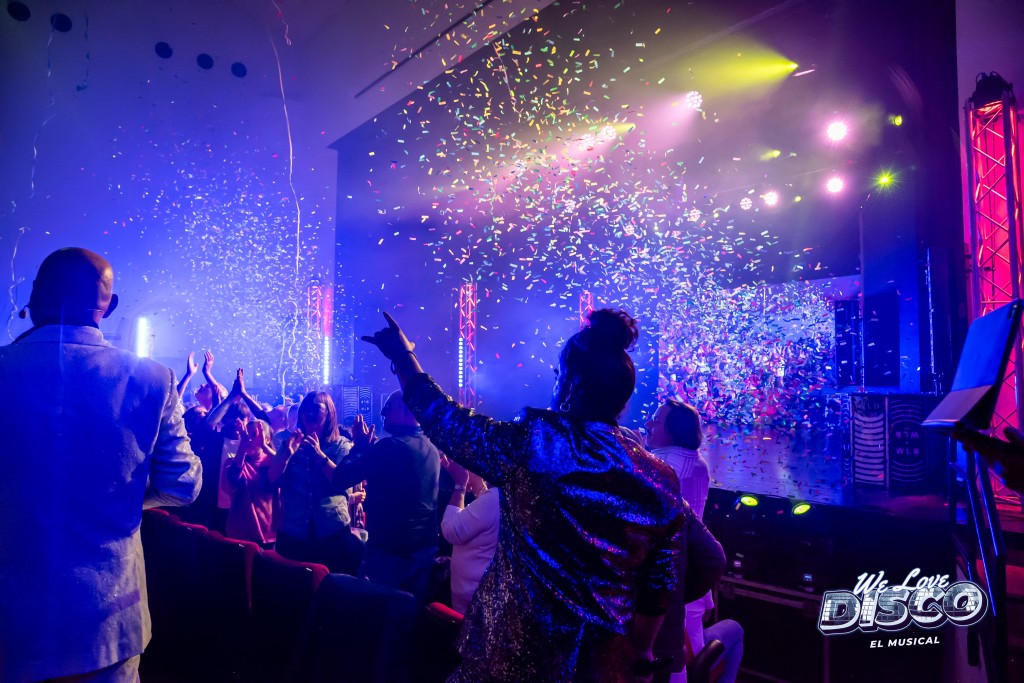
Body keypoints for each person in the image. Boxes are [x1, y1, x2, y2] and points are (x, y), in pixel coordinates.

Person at [361, 309, 704, 682]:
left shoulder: (537, 445)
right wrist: (643, 650)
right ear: (621, 399)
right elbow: (659, 585)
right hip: (603, 668)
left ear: (569, 385)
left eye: (558, 374)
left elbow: (446, 420)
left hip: (513, 661)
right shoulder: (659, 479)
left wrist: (403, 356)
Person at [0, 247, 202, 683]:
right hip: (107, 626)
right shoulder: (151, 379)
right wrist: (119, 500)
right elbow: (183, 485)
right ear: (109, 307)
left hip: (11, 624)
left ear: (34, 296)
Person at [646, 401, 741, 683]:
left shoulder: (660, 467)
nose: (648, 424)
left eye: (655, 420)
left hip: (672, 598)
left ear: (673, 430)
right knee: (732, 633)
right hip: (689, 592)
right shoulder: (697, 464)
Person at [328, 390, 441, 602]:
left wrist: (360, 446)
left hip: (391, 553)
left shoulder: (391, 446)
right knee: (410, 611)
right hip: (422, 550)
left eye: (388, 407)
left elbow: (341, 478)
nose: (382, 413)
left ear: (408, 410)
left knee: (378, 611)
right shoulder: (430, 445)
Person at [270, 391, 363, 574]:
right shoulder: (289, 443)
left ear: (329, 413)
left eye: (315, 408)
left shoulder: (341, 445)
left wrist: (319, 456)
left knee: (331, 585)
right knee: (293, 585)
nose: (309, 413)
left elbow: (343, 481)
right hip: (293, 529)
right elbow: (272, 479)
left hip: (332, 531)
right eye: (305, 409)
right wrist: (286, 455)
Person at [440, 455, 500, 614]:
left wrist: (460, 485)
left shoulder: (495, 498)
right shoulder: (498, 496)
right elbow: (486, 518)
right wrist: (479, 487)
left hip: (472, 600)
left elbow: (451, 530)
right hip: (480, 594)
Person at [224, 419, 278, 547]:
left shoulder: (271, 461)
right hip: (239, 530)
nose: (249, 439)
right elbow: (233, 479)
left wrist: (264, 446)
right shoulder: (235, 462)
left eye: (254, 435)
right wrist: (243, 443)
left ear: (267, 439)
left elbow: (284, 465)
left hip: (267, 530)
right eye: (246, 435)